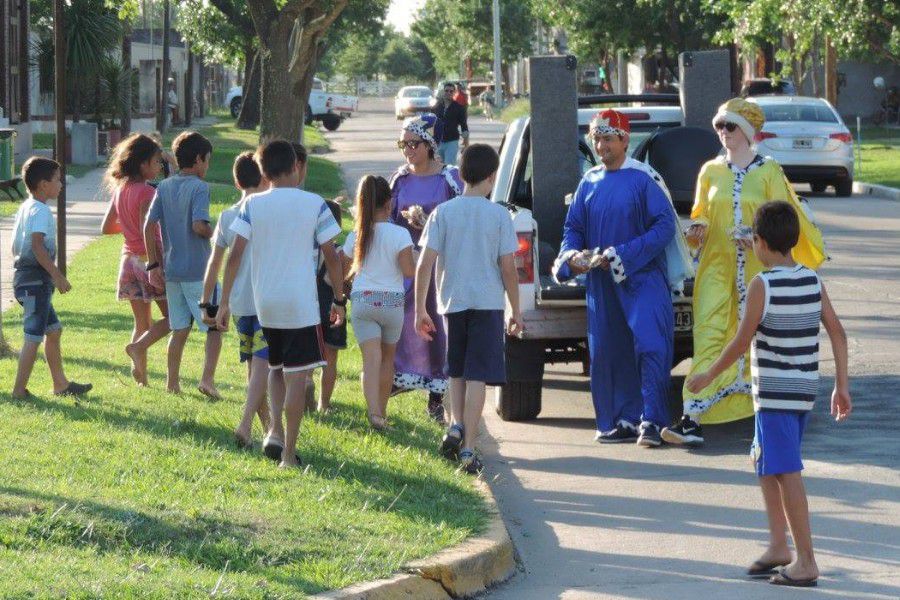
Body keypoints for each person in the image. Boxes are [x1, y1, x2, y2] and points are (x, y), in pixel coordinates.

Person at [686, 201, 851, 587]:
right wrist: (841, 385)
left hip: (775, 395)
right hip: (801, 393)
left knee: (787, 471)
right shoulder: (812, 280)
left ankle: (806, 561)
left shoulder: (764, 285)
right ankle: (779, 544)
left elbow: (741, 342)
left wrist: (707, 373)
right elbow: (838, 333)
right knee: (763, 460)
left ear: (758, 242)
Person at [662, 98, 826, 446]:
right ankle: (691, 418)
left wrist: (756, 240)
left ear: (747, 132)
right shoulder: (709, 171)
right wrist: (698, 229)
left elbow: (783, 218)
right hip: (716, 268)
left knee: (756, 341)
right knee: (708, 332)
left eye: (730, 126)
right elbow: (701, 211)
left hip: (758, 270)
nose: (723, 133)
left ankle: (763, 415)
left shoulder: (769, 171)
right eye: (719, 126)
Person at [553, 109, 691, 446]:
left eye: (608, 138)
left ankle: (653, 420)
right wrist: (573, 255)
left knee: (651, 345)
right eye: (596, 138)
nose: (601, 145)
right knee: (607, 351)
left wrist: (623, 253)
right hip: (601, 283)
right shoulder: (589, 182)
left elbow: (663, 228)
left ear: (625, 140)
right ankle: (616, 421)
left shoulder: (645, 178)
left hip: (643, 277)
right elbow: (573, 228)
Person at [216, 140, 346, 468]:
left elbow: (235, 255)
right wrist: (340, 298)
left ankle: (273, 430)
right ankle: (288, 453)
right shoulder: (315, 204)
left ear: (264, 171)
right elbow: (331, 253)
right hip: (301, 303)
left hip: (266, 304)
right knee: (297, 377)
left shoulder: (252, 205)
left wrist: (225, 301)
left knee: (274, 369)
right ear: (295, 167)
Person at [415, 143, 523, 474]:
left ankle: (455, 425)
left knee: (456, 370)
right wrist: (515, 311)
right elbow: (508, 268)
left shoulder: (442, 212)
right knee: (478, 375)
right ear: (492, 176)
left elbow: (425, 263)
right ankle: (470, 448)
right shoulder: (500, 215)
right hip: (487, 304)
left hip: (452, 303)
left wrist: (420, 308)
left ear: (461, 174)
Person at [389, 113, 463, 423]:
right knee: (404, 324)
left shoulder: (450, 178)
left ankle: (436, 393)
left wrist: (429, 223)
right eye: (403, 144)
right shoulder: (400, 179)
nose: (408, 150)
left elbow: (461, 217)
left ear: (430, 145)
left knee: (436, 325)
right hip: (408, 263)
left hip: (439, 264)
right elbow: (389, 220)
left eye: (413, 143)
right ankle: (398, 378)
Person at [199, 152, 271, 448]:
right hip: (269, 300)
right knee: (263, 364)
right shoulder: (269, 211)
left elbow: (214, 263)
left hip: (239, 302)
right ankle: (246, 424)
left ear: (236, 181)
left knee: (256, 366)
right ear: (266, 177)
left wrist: (208, 302)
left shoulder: (228, 215)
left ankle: (268, 428)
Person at [143, 131, 223, 397]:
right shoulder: (200, 188)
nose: (207, 166)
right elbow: (199, 225)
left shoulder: (164, 186)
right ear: (199, 160)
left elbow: (148, 225)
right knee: (215, 326)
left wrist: (153, 263)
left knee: (179, 328)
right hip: (199, 272)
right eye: (207, 161)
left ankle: (172, 384)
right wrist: (218, 233)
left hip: (172, 271)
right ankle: (207, 380)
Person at [10, 157, 92, 399]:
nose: (61, 185)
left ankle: (61, 385)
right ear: (44, 185)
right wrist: (57, 276)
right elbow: (37, 246)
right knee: (33, 336)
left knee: (53, 331)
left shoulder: (26, 207)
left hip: (29, 281)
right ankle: (18, 391)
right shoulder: (41, 210)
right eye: (57, 180)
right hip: (35, 282)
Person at [341, 175, 415, 430]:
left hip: (363, 301)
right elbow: (408, 271)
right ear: (389, 203)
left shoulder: (356, 236)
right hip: (393, 303)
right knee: (387, 360)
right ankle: (382, 413)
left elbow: (341, 269)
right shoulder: (400, 234)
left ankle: (373, 413)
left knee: (369, 360)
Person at [100, 133, 171, 386]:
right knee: (173, 318)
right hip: (147, 262)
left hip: (128, 260)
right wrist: (155, 263)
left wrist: (128, 228)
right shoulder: (147, 193)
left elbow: (107, 227)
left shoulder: (120, 190)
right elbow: (147, 230)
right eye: (155, 162)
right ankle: (139, 348)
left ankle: (141, 377)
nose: (159, 167)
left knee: (141, 321)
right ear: (142, 164)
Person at [434, 82, 469, 165]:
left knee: (449, 166)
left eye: (451, 91)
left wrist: (466, 143)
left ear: (454, 92)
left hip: (452, 141)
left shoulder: (459, 108)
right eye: (446, 91)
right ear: (443, 92)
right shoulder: (437, 107)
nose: (448, 93)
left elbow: (464, 126)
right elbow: (431, 123)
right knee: (438, 166)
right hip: (438, 142)